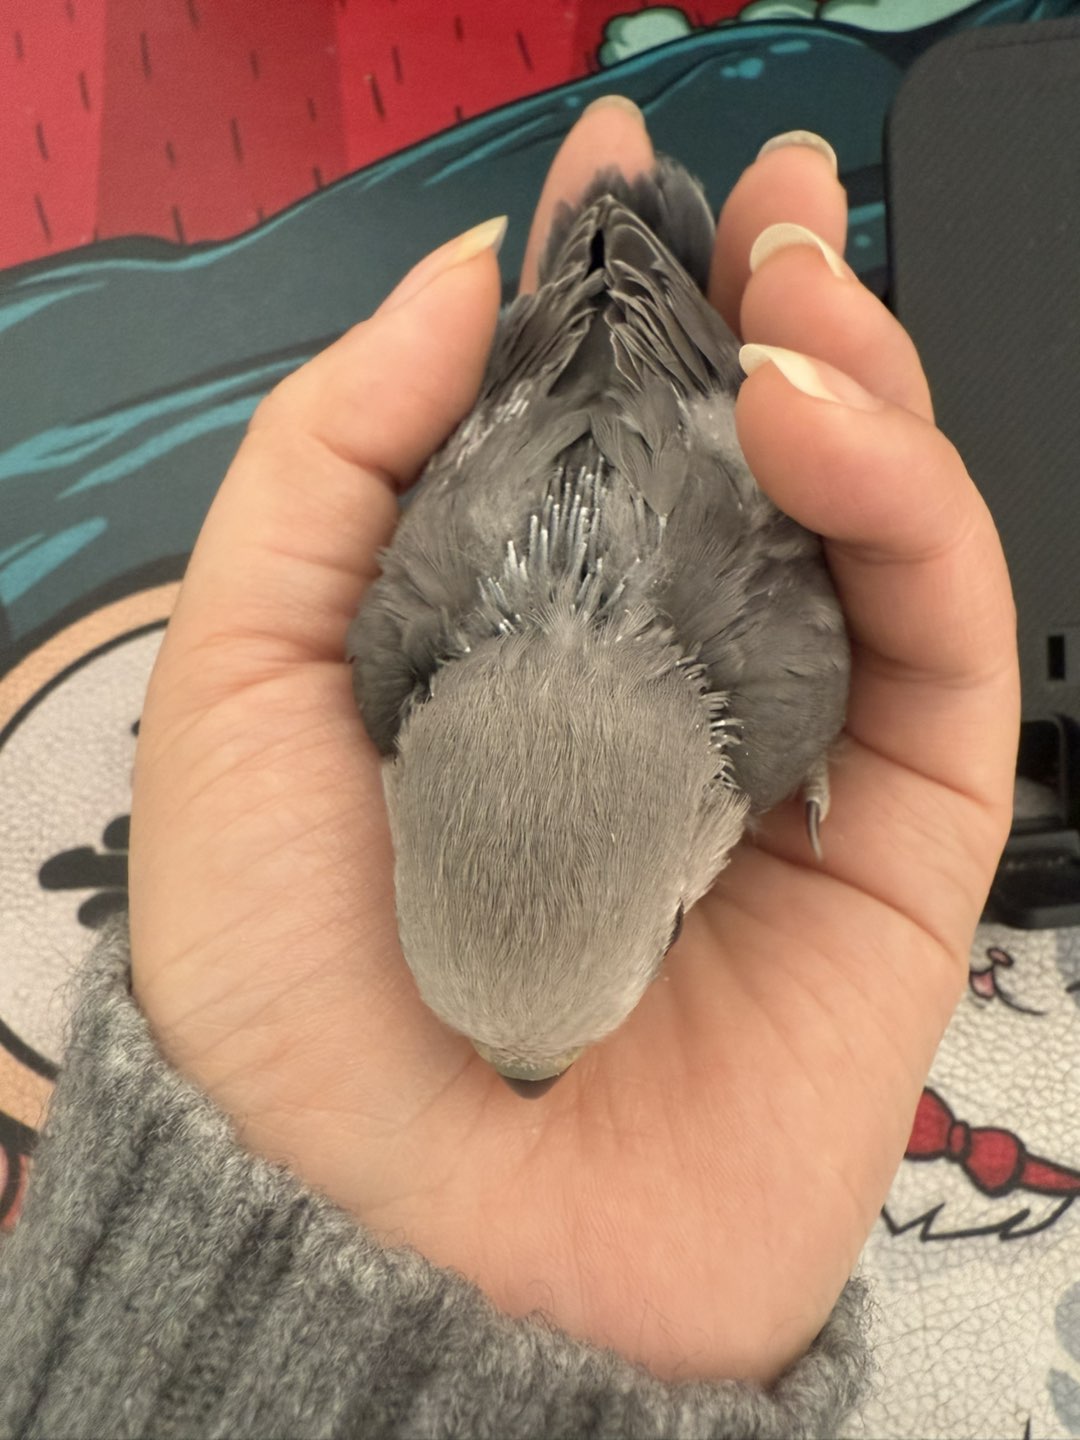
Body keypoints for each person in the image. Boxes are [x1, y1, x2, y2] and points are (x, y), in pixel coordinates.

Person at [0, 99, 1018, 1437]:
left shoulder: (726, 704)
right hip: (649, 368)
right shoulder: (777, 700)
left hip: (641, 366)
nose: (521, 1077)